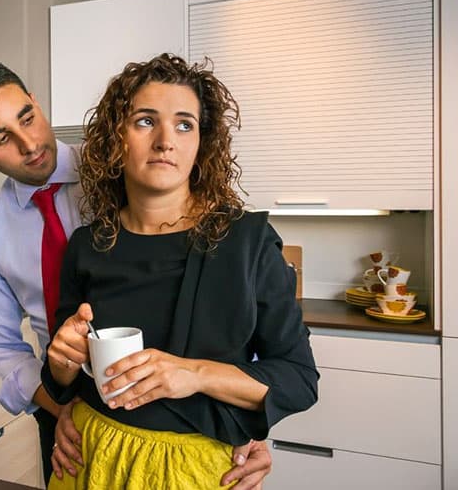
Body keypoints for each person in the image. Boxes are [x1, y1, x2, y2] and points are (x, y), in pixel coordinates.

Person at [0, 60, 274, 489]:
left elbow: (226, 300)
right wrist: (59, 408)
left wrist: (246, 418)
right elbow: (2, 347)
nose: (29, 144)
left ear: (36, 104)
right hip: (69, 410)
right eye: (1, 138)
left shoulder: (128, 166)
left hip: (195, 419)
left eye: (28, 118)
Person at [42, 53, 319, 489]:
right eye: (145, 121)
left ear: (201, 144)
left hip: (198, 469)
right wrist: (60, 361)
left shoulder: (248, 241)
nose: (166, 140)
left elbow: (298, 379)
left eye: (184, 124)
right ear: (117, 139)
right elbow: (66, 379)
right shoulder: (86, 246)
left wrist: (194, 373)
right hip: (90, 459)